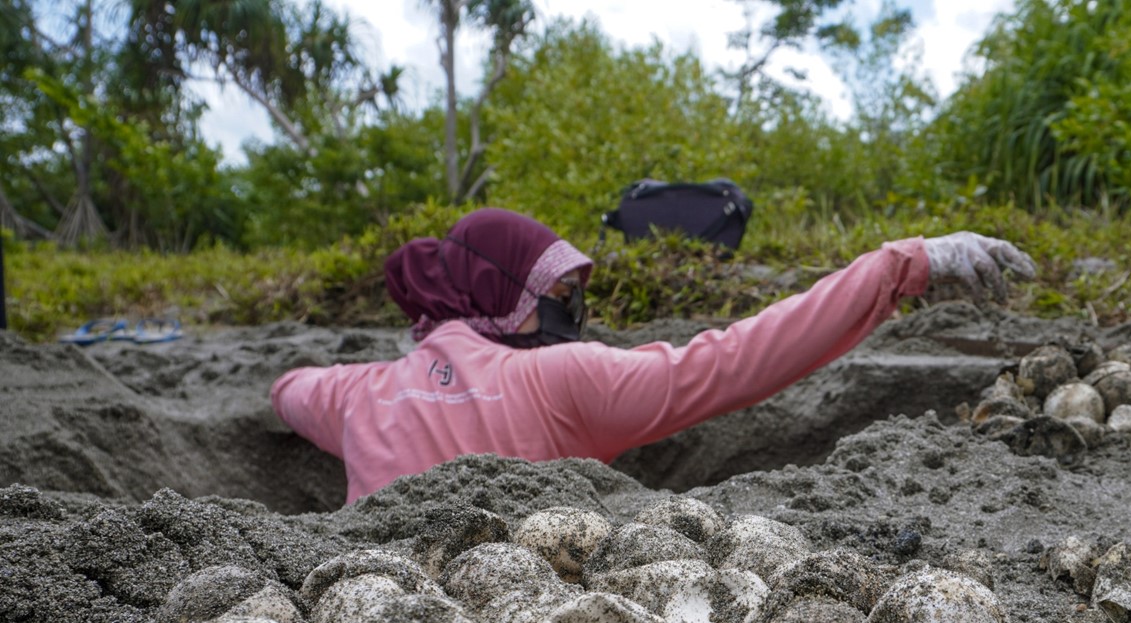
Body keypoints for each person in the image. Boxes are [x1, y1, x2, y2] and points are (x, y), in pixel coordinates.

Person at [271, 207, 1036, 505]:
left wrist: (381, 386)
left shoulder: (354, 394)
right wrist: (902, 265)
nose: (574, 313)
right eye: (557, 293)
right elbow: (742, 356)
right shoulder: (566, 379)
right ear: (501, 293)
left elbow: (288, 389)